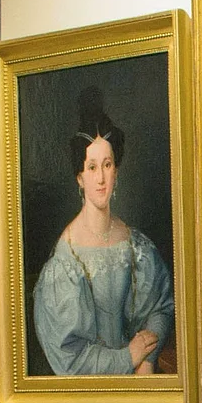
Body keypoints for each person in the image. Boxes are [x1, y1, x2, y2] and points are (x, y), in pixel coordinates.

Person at [33, 88, 174, 376]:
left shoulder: (135, 246)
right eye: (92, 167)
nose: (100, 178)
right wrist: (128, 358)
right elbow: (70, 359)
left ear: (116, 172)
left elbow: (161, 307)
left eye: (107, 165)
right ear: (79, 177)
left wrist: (147, 361)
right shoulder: (65, 263)